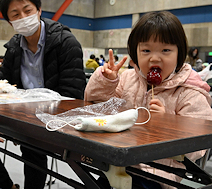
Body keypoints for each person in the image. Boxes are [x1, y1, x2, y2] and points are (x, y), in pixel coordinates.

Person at [0, 0, 86, 189]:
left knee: (32, 148)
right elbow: (3, 87)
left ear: (39, 10)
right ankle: (6, 185)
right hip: (21, 117)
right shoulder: (13, 48)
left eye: (27, 10)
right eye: (15, 14)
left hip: (54, 118)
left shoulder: (66, 43)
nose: (23, 17)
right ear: (9, 21)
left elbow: (73, 95)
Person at [84, 11, 212, 189]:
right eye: (146, 50)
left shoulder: (189, 91)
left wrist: (167, 123)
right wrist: (107, 82)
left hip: (158, 174)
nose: (154, 57)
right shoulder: (127, 79)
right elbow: (98, 106)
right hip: (118, 163)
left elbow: (198, 143)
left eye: (166, 50)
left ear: (179, 53)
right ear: (135, 53)